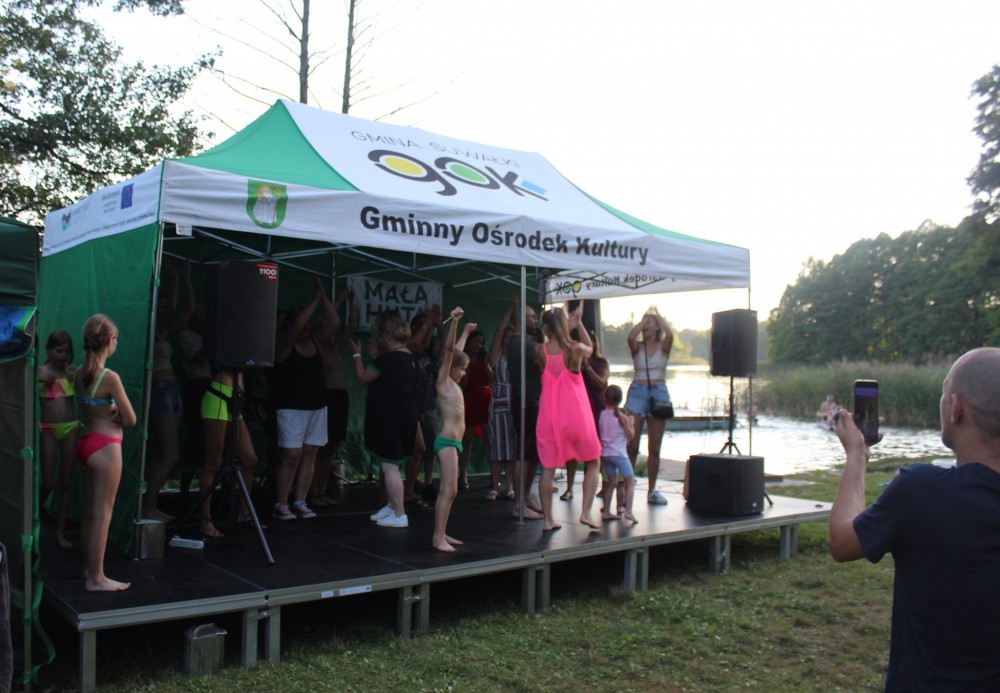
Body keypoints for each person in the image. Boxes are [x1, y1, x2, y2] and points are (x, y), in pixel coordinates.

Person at [829, 347, 1000, 690]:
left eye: (944, 390)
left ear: (956, 408)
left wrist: (856, 455)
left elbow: (842, 542)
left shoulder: (920, 490)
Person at [73, 314, 135, 592]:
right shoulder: (110, 377)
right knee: (103, 513)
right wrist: (116, 411)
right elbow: (131, 419)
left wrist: (110, 409)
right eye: (116, 339)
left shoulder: (78, 373)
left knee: (90, 512)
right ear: (109, 340)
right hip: (106, 447)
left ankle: (88, 567)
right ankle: (96, 578)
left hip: (85, 443)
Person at [272, 279, 338, 521]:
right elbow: (298, 324)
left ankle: (300, 500)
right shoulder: (283, 344)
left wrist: (323, 297)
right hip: (291, 408)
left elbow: (334, 322)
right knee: (292, 456)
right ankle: (281, 503)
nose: (307, 327)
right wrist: (314, 299)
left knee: (310, 453)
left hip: (317, 406)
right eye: (303, 324)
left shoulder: (315, 341)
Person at [535, 304, 602, 531]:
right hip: (576, 415)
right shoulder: (575, 349)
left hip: (548, 416)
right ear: (564, 325)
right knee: (593, 461)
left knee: (548, 467)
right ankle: (585, 513)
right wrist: (578, 324)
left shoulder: (539, 351)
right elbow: (590, 348)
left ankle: (548, 520)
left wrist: (565, 327)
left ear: (545, 328)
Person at [352, 314, 419, 528]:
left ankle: (399, 514)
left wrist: (357, 354)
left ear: (389, 336)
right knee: (393, 464)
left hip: (390, 418)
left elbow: (362, 377)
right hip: (406, 416)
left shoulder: (388, 360)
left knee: (390, 466)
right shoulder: (411, 360)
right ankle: (391, 506)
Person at [143, 259, 194, 521]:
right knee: (170, 455)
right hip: (160, 388)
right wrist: (174, 280)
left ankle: (151, 504)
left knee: (162, 453)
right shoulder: (150, 328)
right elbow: (174, 308)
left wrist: (185, 278)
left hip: (170, 388)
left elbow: (188, 311)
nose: (165, 311)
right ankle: (147, 506)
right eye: (160, 307)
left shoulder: (163, 331)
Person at [431, 307, 476, 552]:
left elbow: (456, 351)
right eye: (463, 369)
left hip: (454, 443)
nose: (464, 372)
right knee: (450, 489)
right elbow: (450, 352)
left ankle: (441, 533)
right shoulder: (444, 381)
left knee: (448, 491)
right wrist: (455, 323)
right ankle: (438, 537)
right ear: (451, 368)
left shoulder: (452, 381)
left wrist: (466, 332)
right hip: (447, 441)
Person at [199, 366, 260, 539]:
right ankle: (206, 522)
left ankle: (244, 514)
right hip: (218, 396)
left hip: (235, 401)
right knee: (214, 464)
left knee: (249, 459)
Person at [309, 288, 356, 508]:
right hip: (326, 397)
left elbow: (351, 327)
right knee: (320, 448)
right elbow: (328, 323)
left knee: (330, 448)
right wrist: (336, 302)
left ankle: (321, 491)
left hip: (340, 398)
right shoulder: (317, 346)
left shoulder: (335, 349)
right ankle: (313, 492)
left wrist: (351, 303)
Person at [624, 311, 673, 505]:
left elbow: (670, 334)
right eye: (643, 324)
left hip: (658, 393)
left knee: (655, 447)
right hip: (637, 391)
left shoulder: (664, 346)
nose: (645, 327)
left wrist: (658, 317)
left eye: (649, 323)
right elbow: (630, 337)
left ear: (657, 327)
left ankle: (652, 490)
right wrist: (643, 321)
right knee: (632, 444)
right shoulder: (637, 347)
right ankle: (627, 487)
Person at [38, 330, 78, 549]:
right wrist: (38, 379)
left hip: (70, 428)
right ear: (48, 350)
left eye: (66, 352)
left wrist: (76, 377)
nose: (63, 355)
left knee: (66, 482)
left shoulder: (70, 372)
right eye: (59, 350)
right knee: (48, 483)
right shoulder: (40, 372)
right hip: (48, 429)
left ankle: (60, 532)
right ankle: (35, 516)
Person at [506, 296, 544, 520]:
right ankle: (519, 504)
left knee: (533, 452)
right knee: (523, 452)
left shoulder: (523, 342)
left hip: (532, 400)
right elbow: (547, 358)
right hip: (526, 402)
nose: (535, 319)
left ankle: (526, 496)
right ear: (521, 319)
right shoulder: (522, 344)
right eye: (532, 316)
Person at [564, 328, 608, 501]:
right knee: (572, 449)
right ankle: (569, 488)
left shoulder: (601, 362)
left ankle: (602, 487)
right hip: (577, 410)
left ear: (594, 344)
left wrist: (587, 366)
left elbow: (600, 383)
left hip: (596, 410)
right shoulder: (572, 360)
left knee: (597, 451)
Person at [486, 300, 517, 501]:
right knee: (497, 447)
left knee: (512, 448)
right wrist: (511, 309)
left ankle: (510, 487)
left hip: (513, 403)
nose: (507, 340)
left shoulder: (518, 356)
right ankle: (495, 487)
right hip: (498, 402)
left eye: (511, 338)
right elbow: (498, 332)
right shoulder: (497, 357)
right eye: (506, 338)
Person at [598, 385, 637, 524]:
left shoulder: (602, 415)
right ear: (620, 400)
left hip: (606, 454)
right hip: (619, 454)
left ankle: (606, 511)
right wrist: (631, 423)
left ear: (605, 399)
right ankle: (628, 511)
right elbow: (630, 436)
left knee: (611, 483)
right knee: (630, 482)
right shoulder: (622, 417)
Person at [458, 329, 491, 490]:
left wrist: (487, 365)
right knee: (467, 438)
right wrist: (466, 371)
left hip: (485, 399)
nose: (478, 345)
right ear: (469, 341)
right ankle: (463, 474)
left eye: (481, 343)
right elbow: (463, 385)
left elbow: (492, 379)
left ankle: (494, 475)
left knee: (489, 439)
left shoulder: (485, 359)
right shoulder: (463, 359)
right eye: (476, 341)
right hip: (469, 398)